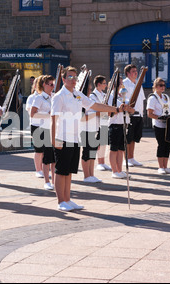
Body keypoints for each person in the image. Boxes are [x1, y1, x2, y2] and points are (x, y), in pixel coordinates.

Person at [51, 66, 128, 211]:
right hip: (62, 137)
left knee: (69, 171)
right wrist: (54, 139)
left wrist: (116, 109)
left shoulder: (78, 95)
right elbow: (53, 118)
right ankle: (61, 201)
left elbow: (95, 105)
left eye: (75, 77)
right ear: (63, 79)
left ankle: (68, 199)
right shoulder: (59, 96)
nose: (73, 80)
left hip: (75, 137)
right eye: (70, 77)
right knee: (61, 171)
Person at [31, 75, 56, 190]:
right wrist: (48, 114)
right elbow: (33, 114)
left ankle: (55, 181)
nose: (52, 86)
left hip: (53, 129)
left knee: (54, 157)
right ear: (44, 85)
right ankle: (47, 181)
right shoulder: (39, 98)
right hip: (41, 129)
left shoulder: (54, 97)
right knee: (46, 156)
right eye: (50, 84)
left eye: (53, 84)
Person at [147, 77, 170, 174]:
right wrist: (159, 118)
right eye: (160, 85)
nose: (162, 87)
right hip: (159, 125)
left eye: (164, 85)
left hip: (168, 124)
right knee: (162, 144)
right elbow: (149, 113)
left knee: (168, 145)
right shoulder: (152, 98)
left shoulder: (166, 97)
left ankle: (166, 166)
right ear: (155, 86)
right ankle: (160, 167)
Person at [122, 64, 145, 167]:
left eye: (136, 71)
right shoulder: (124, 83)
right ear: (127, 73)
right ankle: (126, 159)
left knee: (134, 138)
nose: (136, 73)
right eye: (133, 71)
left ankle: (131, 157)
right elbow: (123, 99)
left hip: (138, 114)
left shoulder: (139, 83)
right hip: (129, 115)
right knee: (128, 138)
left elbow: (142, 99)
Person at [90, 75, 112, 172]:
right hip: (96, 123)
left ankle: (102, 162)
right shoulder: (92, 96)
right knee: (97, 143)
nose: (106, 85)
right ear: (98, 84)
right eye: (104, 83)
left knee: (103, 143)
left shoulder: (104, 95)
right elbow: (95, 109)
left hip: (104, 121)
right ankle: (98, 163)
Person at [107, 80, 129, 179]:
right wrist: (119, 109)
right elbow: (109, 112)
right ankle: (114, 170)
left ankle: (119, 170)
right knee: (114, 149)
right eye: (120, 83)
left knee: (121, 149)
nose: (122, 84)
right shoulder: (110, 96)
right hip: (114, 124)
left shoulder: (122, 95)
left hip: (123, 124)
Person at [28, 76, 44, 178]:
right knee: (38, 149)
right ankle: (38, 170)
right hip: (36, 125)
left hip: (46, 125)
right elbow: (31, 112)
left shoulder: (48, 96)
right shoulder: (32, 97)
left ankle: (44, 169)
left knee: (46, 150)